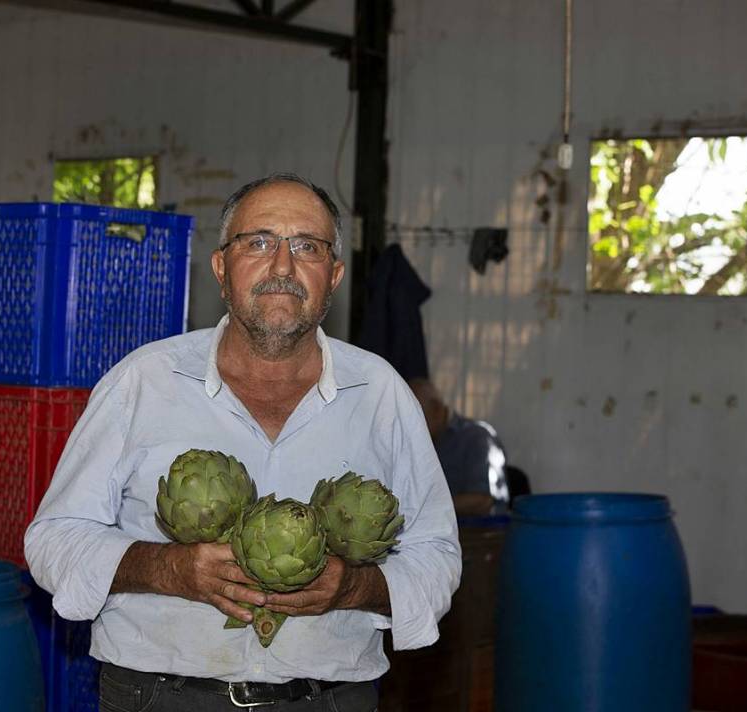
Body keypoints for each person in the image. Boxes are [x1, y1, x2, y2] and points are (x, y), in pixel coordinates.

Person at [25, 173, 461, 711]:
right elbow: (53, 541)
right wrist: (169, 570)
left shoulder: (381, 395)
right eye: (258, 243)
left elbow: (436, 555)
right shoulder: (143, 382)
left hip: (329, 701)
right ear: (221, 269)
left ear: (335, 275)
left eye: (307, 246)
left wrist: (352, 588)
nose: (283, 266)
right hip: (159, 699)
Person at [408, 377, 509, 516]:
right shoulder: (421, 443)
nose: (410, 428)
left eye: (415, 419)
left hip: (479, 533)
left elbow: (482, 501)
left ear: (436, 409)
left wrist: (425, 509)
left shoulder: (477, 437)